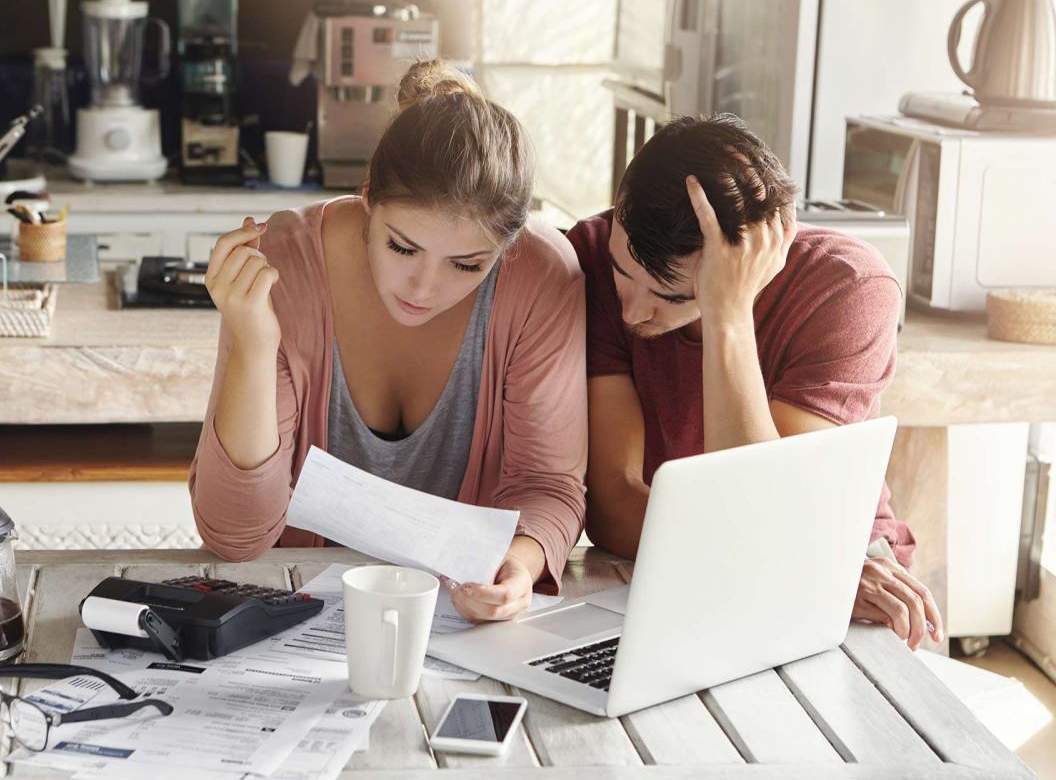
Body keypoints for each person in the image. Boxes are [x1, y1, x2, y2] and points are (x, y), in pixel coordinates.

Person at [189, 60, 587, 623]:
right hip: (296, 621)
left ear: (508, 245)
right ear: (369, 195)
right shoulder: (283, 264)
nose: (424, 289)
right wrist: (255, 345)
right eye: (402, 248)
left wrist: (518, 565)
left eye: (468, 264)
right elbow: (235, 535)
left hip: (458, 626)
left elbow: (546, 485)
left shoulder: (543, 276)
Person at [571, 114, 944, 650]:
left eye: (672, 296)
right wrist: (773, 558)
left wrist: (727, 313)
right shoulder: (587, 252)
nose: (632, 312)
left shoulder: (848, 287)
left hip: (842, 567)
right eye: (622, 273)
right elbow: (613, 504)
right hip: (694, 562)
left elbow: (772, 509)